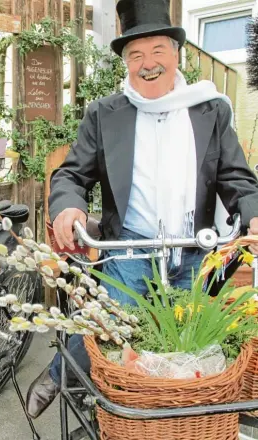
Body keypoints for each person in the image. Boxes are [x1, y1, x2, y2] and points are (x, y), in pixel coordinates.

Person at [26, 0, 258, 419]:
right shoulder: (104, 114)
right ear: (126, 63)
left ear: (176, 55)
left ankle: (189, 412)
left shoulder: (211, 109)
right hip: (131, 244)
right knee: (107, 321)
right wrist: (69, 209)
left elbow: (237, 179)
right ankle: (62, 374)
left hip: (194, 246)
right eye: (136, 55)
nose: (147, 64)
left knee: (191, 340)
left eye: (157, 53)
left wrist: (254, 212)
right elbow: (71, 174)